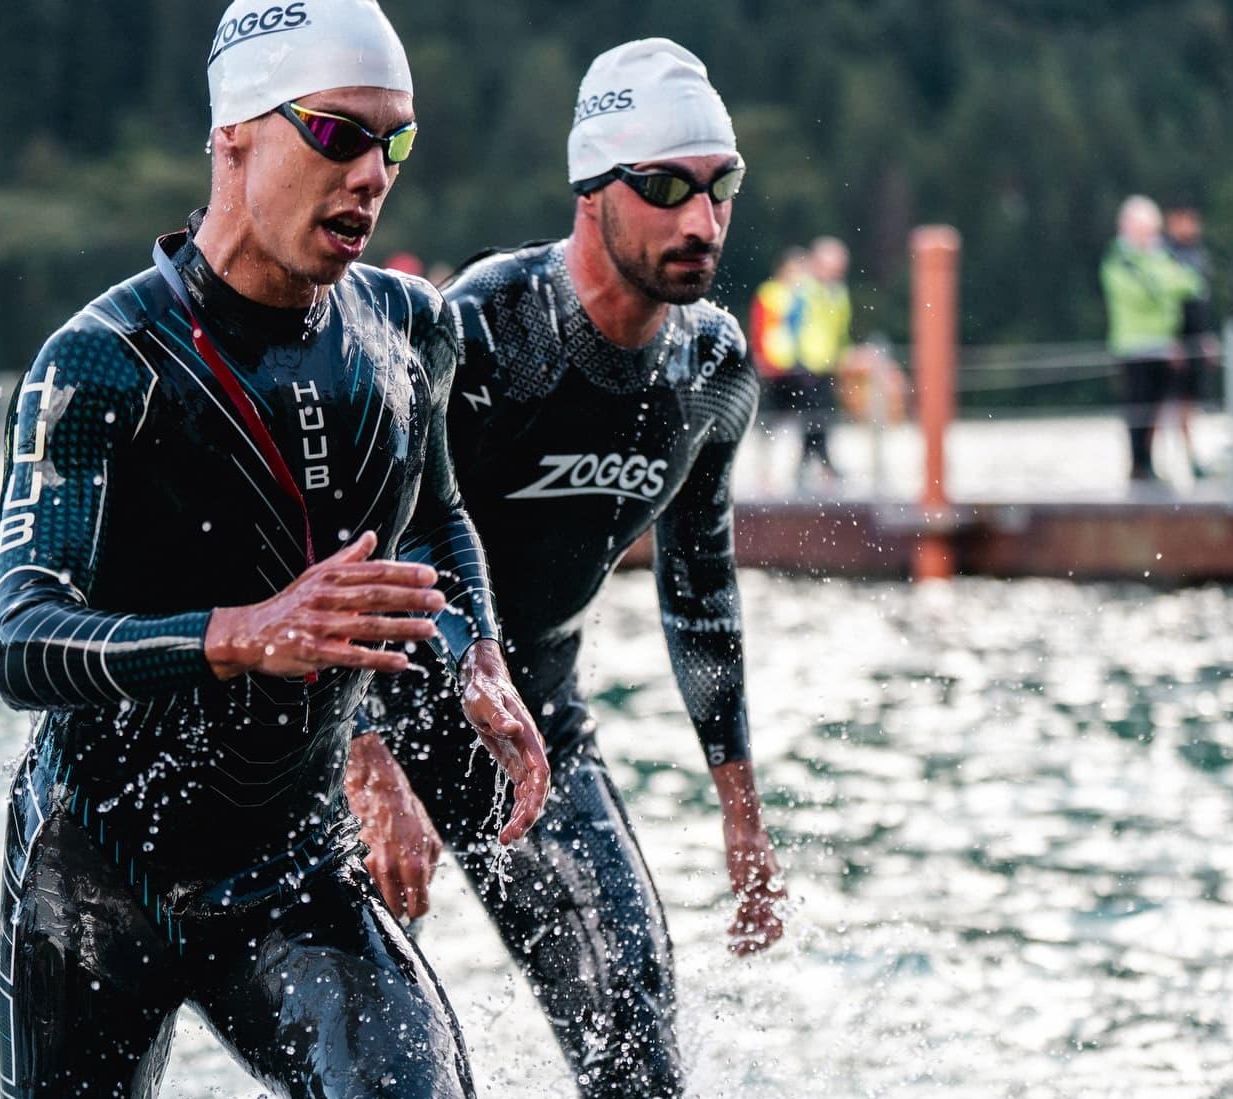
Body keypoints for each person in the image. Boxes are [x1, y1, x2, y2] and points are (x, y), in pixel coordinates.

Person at [0, 3, 550, 1096]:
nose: (371, 174)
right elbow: (20, 635)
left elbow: (432, 517)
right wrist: (242, 635)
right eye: (338, 134)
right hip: (95, 880)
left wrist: (475, 653)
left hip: (291, 872)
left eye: (395, 141)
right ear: (234, 136)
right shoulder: (101, 362)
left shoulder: (409, 328)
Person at [345, 39, 786, 1099]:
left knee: (638, 1050)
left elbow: (699, 589)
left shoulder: (711, 366)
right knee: (372, 1063)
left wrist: (740, 810)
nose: (700, 219)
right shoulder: (490, 326)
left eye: (719, 186)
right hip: (370, 710)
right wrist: (367, 755)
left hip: (533, 725)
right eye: (665, 187)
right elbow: (357, 535)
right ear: (592, 188)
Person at [1101, 195, 1200, 484]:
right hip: (1132, 346)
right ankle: (1138, 465)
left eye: (1150, 229)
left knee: (1158, 408)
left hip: (1164, 345)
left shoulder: (1159, 255)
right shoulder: (1118, 259)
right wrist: (1163, 285)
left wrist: (1159, 284)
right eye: (1142, 229)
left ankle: (1151, 465)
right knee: (1138, 409)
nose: (1147, 235)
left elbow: (1191, 283)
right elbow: (1140, 295)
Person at [794, 235, 852, 488]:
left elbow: (841, 329)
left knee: (822, 415)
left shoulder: (837, 292)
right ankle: (820, 464)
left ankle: (809, 464)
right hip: (806, 363)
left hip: (828, 363)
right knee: (813, 416)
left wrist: (843, 355)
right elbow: (792, 326)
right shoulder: (804, 290)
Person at [749, 248, 808, 492]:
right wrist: (762, 358)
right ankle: (765, 473)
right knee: (770, 422)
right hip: (774, 366)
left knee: (796, 421)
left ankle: (789, 472)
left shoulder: (800, 295)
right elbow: (760, 328)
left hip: (794, 365)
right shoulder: (770, 294)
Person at [1164, 204, 1217, 477]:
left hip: (1194, 339)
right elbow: (1168, 302)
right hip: (1174, 340)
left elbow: (1202, 303)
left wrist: (1205, 336)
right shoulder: (1164, 254)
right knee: (1166, 403)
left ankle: (1189, 458)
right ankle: (1160, 462)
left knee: (1188, 402)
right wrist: (1171, 339)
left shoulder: (1198, 254)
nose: (1190, 227)